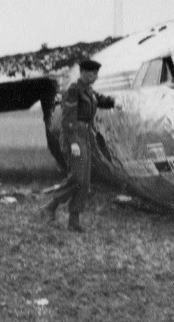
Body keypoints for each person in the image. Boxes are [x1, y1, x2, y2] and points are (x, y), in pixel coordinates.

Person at [41, 58, 118, 232]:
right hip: (74, 137)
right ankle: (49, 207)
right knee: (77, 178)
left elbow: (98, 99)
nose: (95, 77)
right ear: (83, 72)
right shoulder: (74, 91)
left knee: (84, 181)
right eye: (92, 73)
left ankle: (74, 221)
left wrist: (113, 102)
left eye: (97, 73)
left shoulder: (87, 91)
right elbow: (68, 118)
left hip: (85, 137)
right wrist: (74, 142)